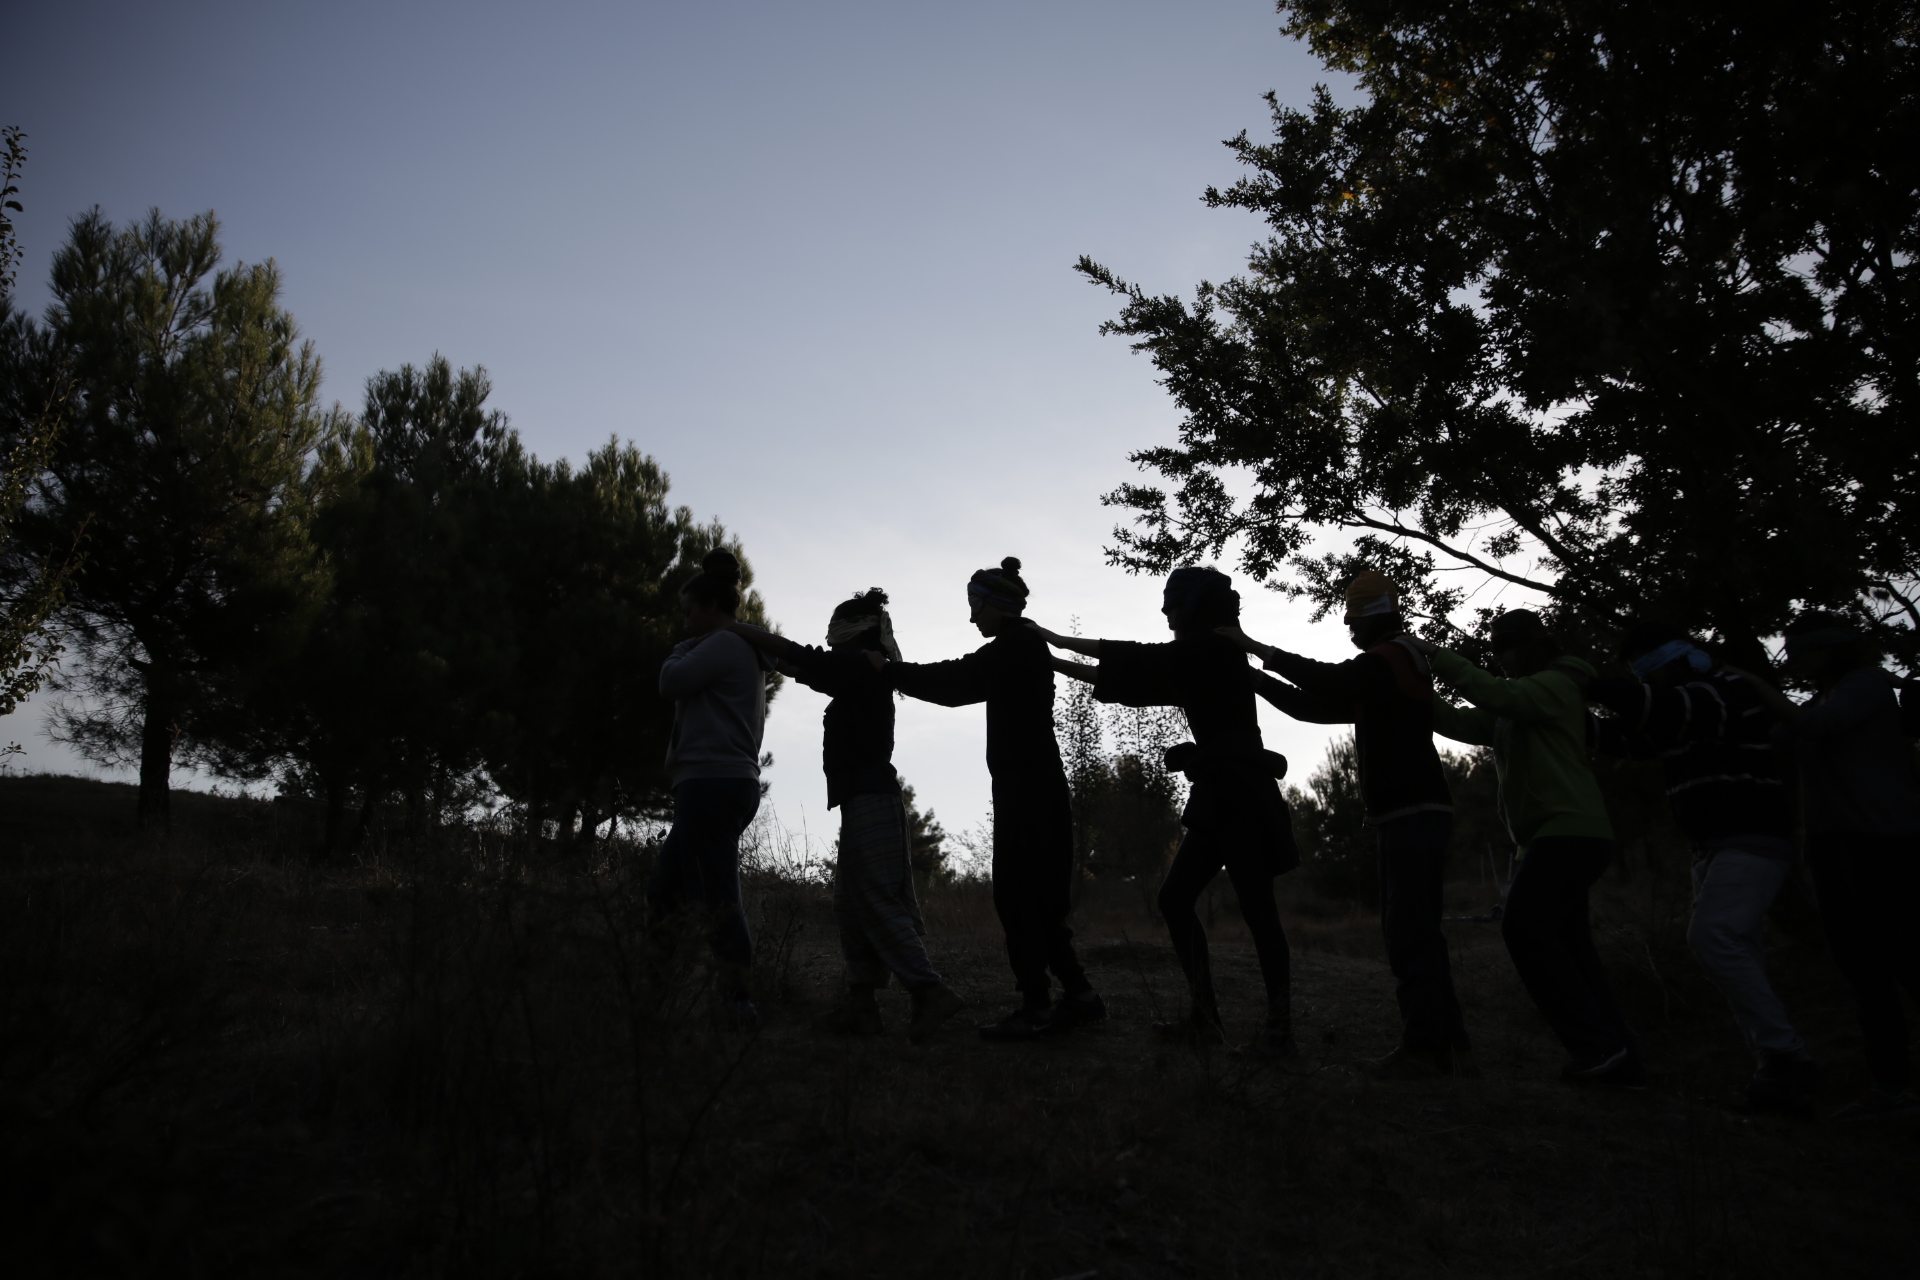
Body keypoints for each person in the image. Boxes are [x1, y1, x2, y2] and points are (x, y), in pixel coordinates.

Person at [1029, 567, 1297, 1055]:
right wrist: (1054, 660)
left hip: (1237, 795)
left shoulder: (1209, 649)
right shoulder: (1207, 655)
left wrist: (1053, 641)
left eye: (1172, 602)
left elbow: (1136, 660)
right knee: (1186, 901)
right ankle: (1212, 1021)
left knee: (1254, 909)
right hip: (1225, 795)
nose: (1164, 611)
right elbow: (1132, 679)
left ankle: (1275, 1032)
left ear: (1192, 607)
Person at [1218, 571, 1469, 1079]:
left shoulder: (1390, 657)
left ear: (1369, 618)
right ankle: (1448, 1048)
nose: (1348, 628)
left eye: (1352, 620)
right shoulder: (1387, 670)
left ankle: (1426, 1050)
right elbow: (1314, 707)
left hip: (1412, 814)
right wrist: (1257, 680)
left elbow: (1329, 682)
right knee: (1419, 933)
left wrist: (1255, 648)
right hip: (1413, 813)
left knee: (1408, 935)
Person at [1407, 610, 1644, 1089]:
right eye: (1496, 649)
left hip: (1571, 831)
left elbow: (1499, 695)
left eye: (1508, 648)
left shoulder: (1557, 685)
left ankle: (1595, 1048)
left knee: (1523, 927)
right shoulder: (1516, 706)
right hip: (1550, 837)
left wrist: (1435, 655)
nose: (1501, 657)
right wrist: (1410, 687)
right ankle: (1618, 1056)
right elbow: (1459, 720)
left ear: (1535, 645)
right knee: (1573, 948)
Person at [1586, 622, 1815, 1115]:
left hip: (1751, 838)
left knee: (1713, 938)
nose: (1647, 682)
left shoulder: (1721, 692)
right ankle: (1775, 1071)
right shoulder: (1682, 708)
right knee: (1738, 952)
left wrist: (1588, 686)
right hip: (1714, 848)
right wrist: (1568, 715)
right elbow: (1631, 738)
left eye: (1648, 671)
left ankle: (1786, 1055)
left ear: (1675, 661)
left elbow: (1662, 709)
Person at [875, 557, 1104, 1040]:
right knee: (1040, 899)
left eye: (975, 606)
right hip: (1035, 785)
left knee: (1017, 896)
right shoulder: (1022, 646)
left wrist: (891, 672)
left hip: (1027, 789)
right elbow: (960, 683)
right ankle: (1079, 996)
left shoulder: (1015, 645)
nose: (971, 616)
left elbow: (954, 682)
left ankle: (1037, 1007)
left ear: (996, 604)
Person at [724, 589, 967, 1043]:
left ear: (852, 633)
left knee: (874, 900)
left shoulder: (859, 668)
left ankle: (929, 991)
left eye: (835, 634)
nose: (829, 642)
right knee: (850, 904)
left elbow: (803, 657)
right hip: (863, 799)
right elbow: (803, 666)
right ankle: (862, 1006)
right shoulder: (859, 671)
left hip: (871, 799)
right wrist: (761, 647)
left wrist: (735, 628)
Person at [1729, 613, 1920, 1120]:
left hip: (1883, 843)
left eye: (1803, 652)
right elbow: (1776, 740)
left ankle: (1892, 1087)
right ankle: (1890, 1088)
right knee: (1862, 970)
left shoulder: (1866, 686)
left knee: (1905, 957)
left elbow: (1817, 728)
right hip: (1832, 847)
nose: (1794, 662)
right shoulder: (1821, 700)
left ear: (1832, 649)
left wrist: (1756, 687)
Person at [650, 548, 775, 1025]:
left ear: (710, 606)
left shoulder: (722, 645)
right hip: (721, 782)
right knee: (667, 890)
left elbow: (671, 681)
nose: (684, 624)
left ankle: (737, 1003)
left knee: (717, 897)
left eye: (688, 613)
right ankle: (654, 993)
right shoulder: (736, 645)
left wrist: (682, 649)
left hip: (711, 783)